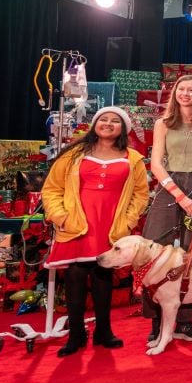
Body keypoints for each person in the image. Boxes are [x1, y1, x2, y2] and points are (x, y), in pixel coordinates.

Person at [41, 107, 150, 357]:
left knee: (103, 280)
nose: (108, 123)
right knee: (75, 280)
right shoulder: (74, 155)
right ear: (94, 124)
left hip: (110, 227)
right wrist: (61, 217)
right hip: (76, 226)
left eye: (115, 121)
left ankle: (103, 331)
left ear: (123, 128)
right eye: (103, 119)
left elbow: (141, 195)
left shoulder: (132, 158)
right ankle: (76, 334)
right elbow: (52, 189)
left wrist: (127, 222)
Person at [142, 74, 192, 343]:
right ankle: (156, 322)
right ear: (175, 93)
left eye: (191, 90)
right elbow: (156, 164)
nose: (185, 94)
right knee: (155, 251)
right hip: (168, 185)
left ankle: (185, 322)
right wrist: (178, 195)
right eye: (181, 90)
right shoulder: (163, 123)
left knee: (191, 255)